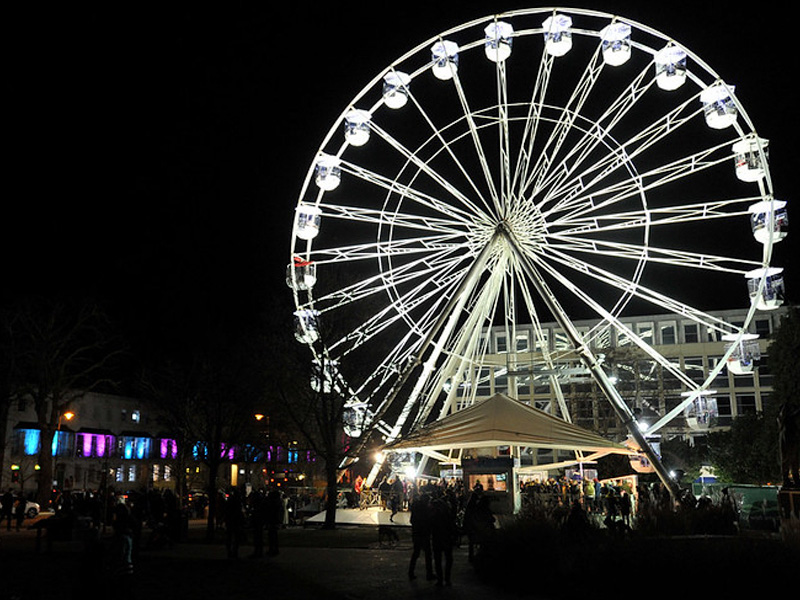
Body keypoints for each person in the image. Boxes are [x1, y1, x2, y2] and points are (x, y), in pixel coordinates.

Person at [430, 495, 457, 586]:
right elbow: (452, 527)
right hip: (446, 538)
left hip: (438, 539)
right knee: (448, 559)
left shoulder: (434, 516)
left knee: (438, 560)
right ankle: (447, 579)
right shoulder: (447, 515)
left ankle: (441, 579)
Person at [408, 492, 434, 581]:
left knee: (416, 553)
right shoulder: (425, 510)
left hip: (416, 533)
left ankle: (411, 572)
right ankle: (429, 574)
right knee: (427, 554)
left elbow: (412, 520)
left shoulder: (416, 508)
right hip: (423, 534)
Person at [265, 489, 284, 556]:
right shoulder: (278, 503)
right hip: (274, 521)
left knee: (272, 536)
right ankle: (274, 549)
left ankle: (272, 549)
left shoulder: (273, 504)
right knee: (273, 536)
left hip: (273, 521)